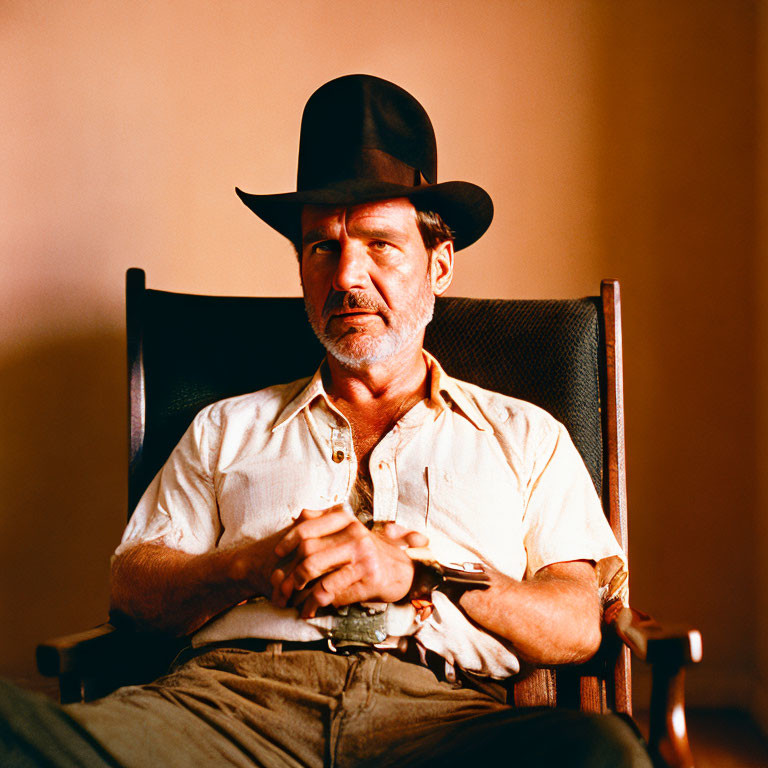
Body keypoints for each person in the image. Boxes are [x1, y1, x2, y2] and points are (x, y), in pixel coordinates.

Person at [0, 74, 650, 767]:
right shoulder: (225, 428)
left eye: (379, 244)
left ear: (440, 263)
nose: (345, 276)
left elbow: (579, 623)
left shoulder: (527, 436)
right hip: (227, 712)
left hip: (442, 722)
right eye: (321, 247)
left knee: (601, 753)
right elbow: (133, 589)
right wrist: (249, 565)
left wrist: (421, 575)